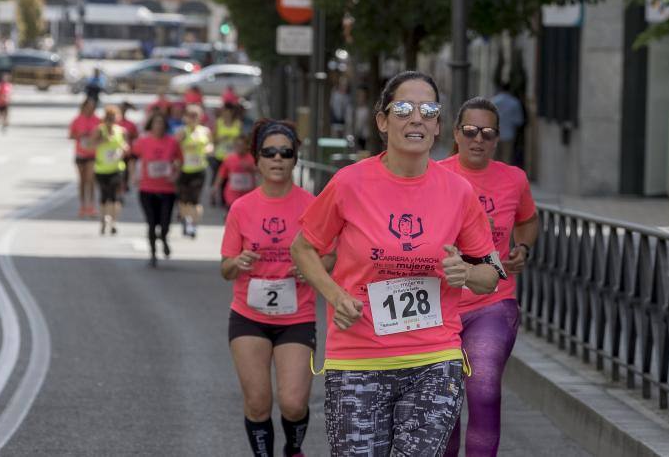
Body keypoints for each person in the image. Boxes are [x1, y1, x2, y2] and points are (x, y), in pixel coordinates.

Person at [290, 71, 505, 456]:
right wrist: (336, 296)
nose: (416, 118)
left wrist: (469, 273)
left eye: (429, 110)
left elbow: (491, 274)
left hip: (434, 359)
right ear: (383, 121)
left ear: (439, 125)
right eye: (404, 108)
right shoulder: (348, 183)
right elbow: (303, 248)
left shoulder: (458, 192)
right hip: (359, 357)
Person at [221, 118, 334, 457]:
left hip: (296, 318)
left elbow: (331, 259)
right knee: (257, 402)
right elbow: (225, 268)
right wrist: (238, 261)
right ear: (257, 159)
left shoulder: (311, 205)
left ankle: (293, 448)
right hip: (248, 317)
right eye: (269, 152)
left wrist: (311, 269)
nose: (277, 159)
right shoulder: (242, 208)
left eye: (285, 152)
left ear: (295, 158)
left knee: (293, 402)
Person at [440, 97, 539, 457]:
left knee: (483, 388)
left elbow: (528, 220)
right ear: (455, 133)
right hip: (440, 307)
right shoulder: (435, 176)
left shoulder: (514, 179)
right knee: (444, 404)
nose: (478, 139)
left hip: (493, 303)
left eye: (487, 132)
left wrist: (523, 249)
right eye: (470, 131)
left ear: (497, 138)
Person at [131, 112, 182, 268]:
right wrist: (133, 174)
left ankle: (164, 238)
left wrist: (176, 174)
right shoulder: (143, 141)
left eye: (161, 123)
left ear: (165, 126)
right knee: (152, 223)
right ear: (151, 125)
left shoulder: (172, 142)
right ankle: (153, 254)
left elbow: (179, 160)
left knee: (165, 223)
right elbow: (132, 157)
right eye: (155, 123)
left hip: (167, 189)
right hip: (147, 188)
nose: (158, 126)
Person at [176, 105, 212, 238]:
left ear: (200, 117)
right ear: (185, 117)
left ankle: (194, 226)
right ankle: (187, 221)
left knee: (195, 200)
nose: (192, 119)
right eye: (190, 116)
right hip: (184, 170)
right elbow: (175, 148)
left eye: (195, 116)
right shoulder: (182, 131)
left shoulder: (205, 131)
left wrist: (208, 148)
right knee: (184, 200)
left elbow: (210, 144)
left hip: (199, 169)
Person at [92, 105, 129, 235]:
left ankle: (113, 222)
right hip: (101, 168)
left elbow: (126, 146)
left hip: (117, 168)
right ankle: (103, 220)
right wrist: (102, 140)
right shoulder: (99, 130)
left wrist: (123, 150)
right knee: (104, 196)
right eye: (108, 118)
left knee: (115, 197)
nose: (111, 121)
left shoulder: (122, 131)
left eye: (113, 118)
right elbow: (92, 145)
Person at [69, 98, 101, 217]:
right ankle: (83, 205)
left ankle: (91, 206)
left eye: (91, 107)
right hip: (80, 153)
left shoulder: (98, 120)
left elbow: (102, 136)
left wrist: (94, 138)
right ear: (83, 107)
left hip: (93, 154)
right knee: (82, 181)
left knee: (91, 180)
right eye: (87, 107)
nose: (89, 109)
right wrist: (79, 135)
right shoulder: (77, 120)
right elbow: (70, 135)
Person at [212, 135, 256, 210]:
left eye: (241, 145)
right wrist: (215, 187)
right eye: (237, 145)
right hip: (232, 195)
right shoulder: (229, 158)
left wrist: (251, 168)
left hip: (248, 195)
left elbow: (262, 172)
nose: (239, 147)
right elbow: (221, 174)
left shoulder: (252, 158)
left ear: (247, 146)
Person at [211, 102, 243, 204]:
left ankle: (226, 199)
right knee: (219, 178)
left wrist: (235, 140)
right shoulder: (218, 122)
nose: (227, 114)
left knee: (230, 179)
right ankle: (215, 196)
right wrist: (220, 139)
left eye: (229, 112)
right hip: (220, 155)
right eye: (225, 111)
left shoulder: (238, 123)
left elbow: (241, 139)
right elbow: (213, 139)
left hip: (233, 156)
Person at [490, 83, 524, 166]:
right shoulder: (514, 102)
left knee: (494, 159)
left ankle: (493, 177)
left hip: (494, 135)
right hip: (509, 134)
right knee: (506, 159)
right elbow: (519, 121)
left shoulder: (493, 101)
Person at [117, 101, 139, 192]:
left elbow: (136, 136)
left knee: (125, 171)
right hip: (115, 151)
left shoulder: (131, 124)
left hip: (127, 151)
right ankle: (119, 186)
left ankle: (124, 185)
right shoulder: (114, 123)